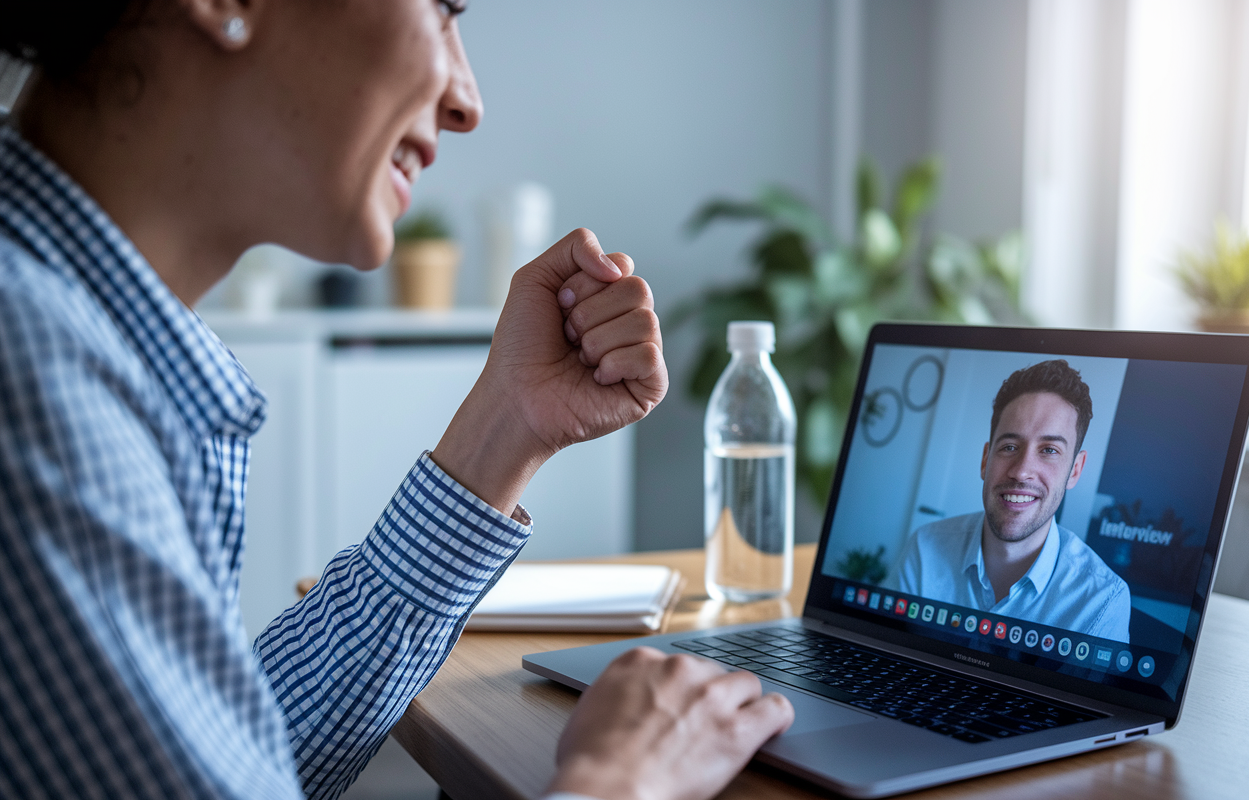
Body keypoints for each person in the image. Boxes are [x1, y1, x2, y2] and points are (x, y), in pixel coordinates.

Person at [0, 3, 793, 799]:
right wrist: (622, 782)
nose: (467, 100)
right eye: (442, 8)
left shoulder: (79, 343)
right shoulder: (34, 382)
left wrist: (511, 422)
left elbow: (240, 752)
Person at [886, 360, 1131, 642]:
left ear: (1075, 470)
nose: (1021, 471)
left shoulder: (1103, 602)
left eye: (1049, 450)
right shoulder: (924, 550)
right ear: (984, 459)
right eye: (1010, 447)